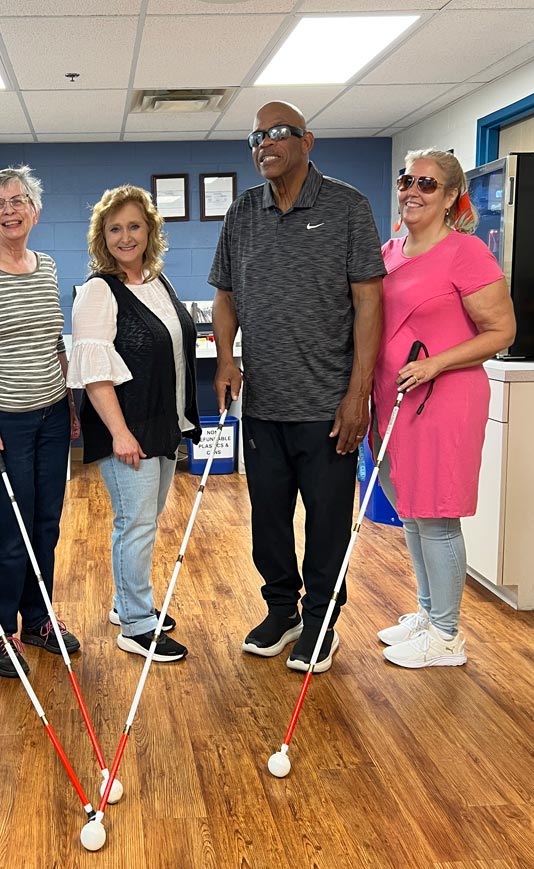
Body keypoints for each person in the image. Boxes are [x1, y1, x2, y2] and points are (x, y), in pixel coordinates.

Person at [209, 102, 386, 673]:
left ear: (307, 141)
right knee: (268, 520)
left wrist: (357, 393)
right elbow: (226, 297)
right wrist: (226, 358)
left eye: (278, 133)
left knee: (329, 520)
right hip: (264, 405)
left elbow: (369, 302)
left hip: (328, 406)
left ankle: (320, 623)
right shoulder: (242, 213)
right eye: (256, 136)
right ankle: (282, 610)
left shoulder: (347, 207)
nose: (265, 143)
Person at [374, 149, 516, 668]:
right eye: (407, 179)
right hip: (392, 400)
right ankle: (429, 612)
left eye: (427, 184)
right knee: (411, 511)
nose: (412, 190)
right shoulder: (389, 250)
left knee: (436, 516)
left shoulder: (467, 253)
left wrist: (437, 364)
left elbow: (502, 331)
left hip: (443, 398)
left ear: (452, 195)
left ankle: (448, 635)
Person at [0, 166, 80, 680]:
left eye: (18, 200)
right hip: (0, 419)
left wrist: (69, 403)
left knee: (45, 526)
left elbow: (56, 341)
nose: (9, 209)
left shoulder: (47, 266)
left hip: (51, 414)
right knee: (12, 530)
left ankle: (38, 621)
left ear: (35, 210)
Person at [67, 185, 201, 663]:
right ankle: (138, 627)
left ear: (150, 231)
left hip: (161, 425)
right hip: (128, 431)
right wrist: (121, 433)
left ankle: (127, 605)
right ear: (103, 236)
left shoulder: (156, 282)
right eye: (115, 228)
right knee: (136, 524)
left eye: (134, 226)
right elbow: (94, 373)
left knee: (143, 522)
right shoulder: (100, 290)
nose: (126, 237)